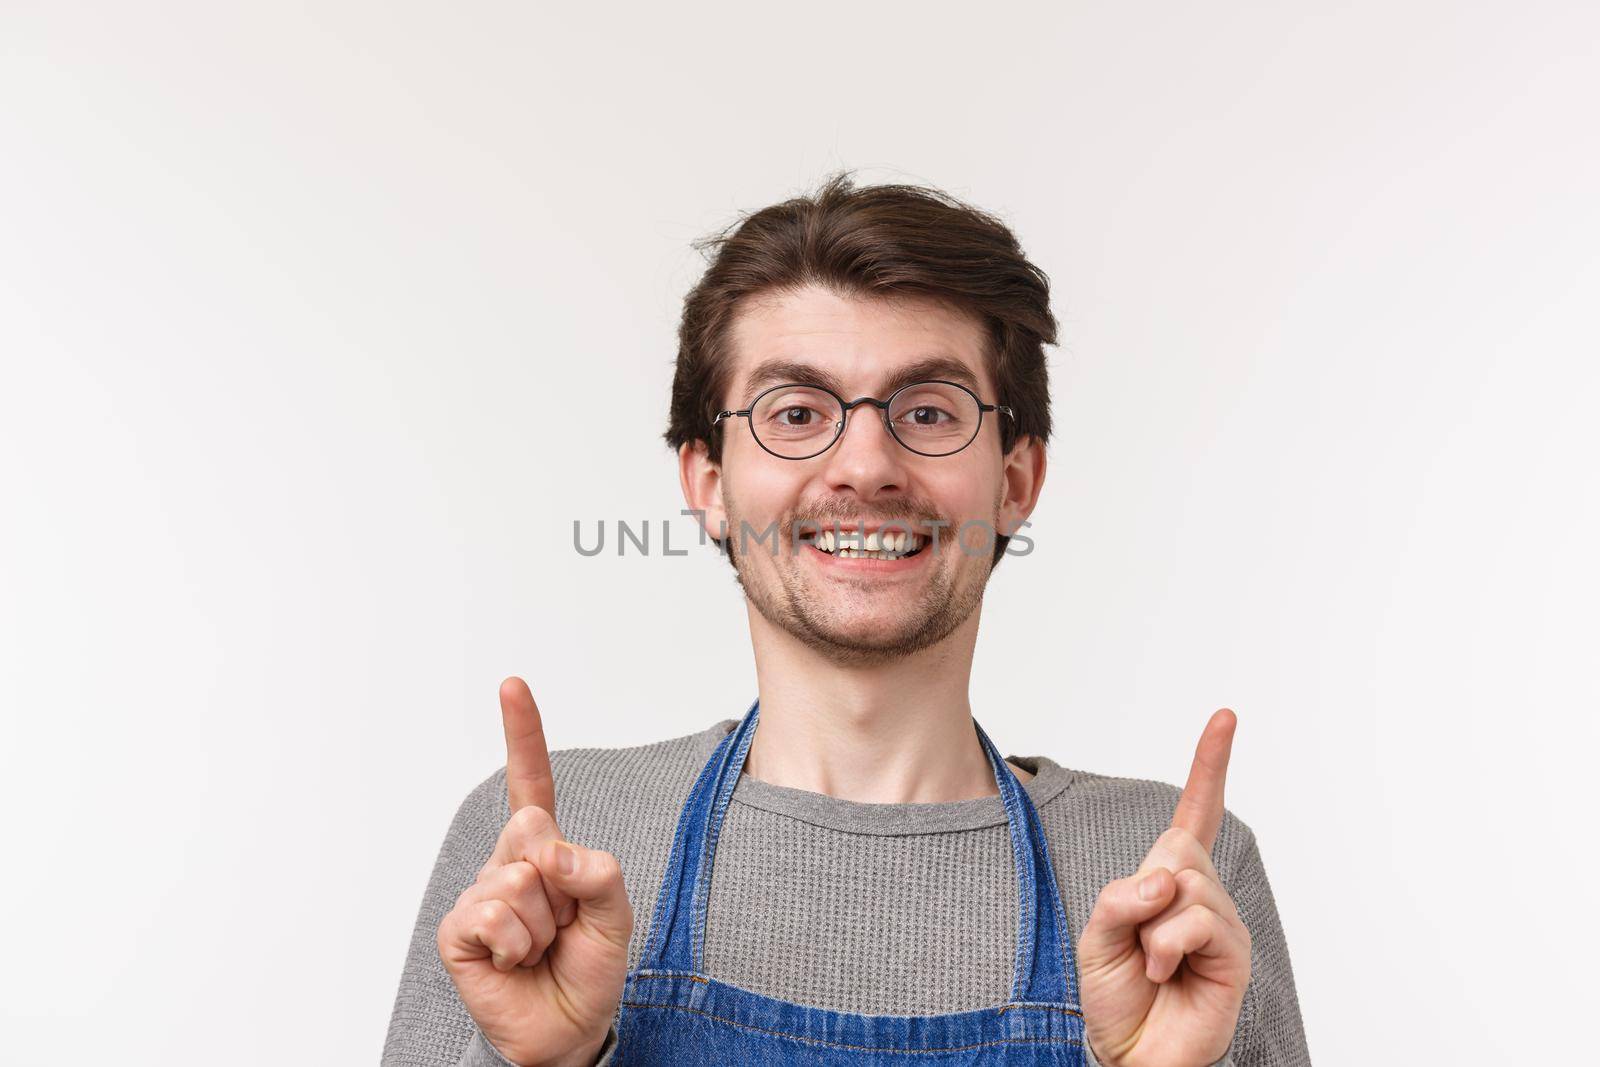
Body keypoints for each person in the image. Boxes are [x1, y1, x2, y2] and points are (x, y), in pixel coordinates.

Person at [382, 173, 1311, 1066]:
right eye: (795, 411)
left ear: (1016, 478)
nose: (865, 465)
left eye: (929, 411)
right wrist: (534, 1061)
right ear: (707, 481)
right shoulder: (548, 846)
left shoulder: (1172, 877)